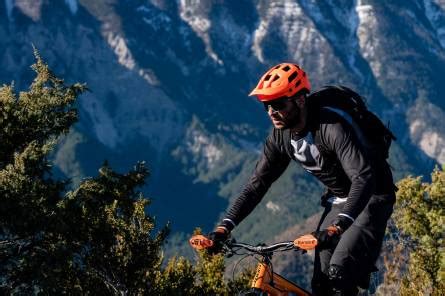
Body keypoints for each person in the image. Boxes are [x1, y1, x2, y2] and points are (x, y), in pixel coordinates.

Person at [208, 63, 396, 295]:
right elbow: (257, 184)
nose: (271, 112)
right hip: (339, 198)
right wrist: (224, 228)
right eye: (266, 105)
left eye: (278, 104)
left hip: (372, 196)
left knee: (339, 273)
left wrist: (337, 228)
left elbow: (363, 177)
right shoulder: (280, 137)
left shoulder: (331, 127)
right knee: (322, 284)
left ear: (299, 100)